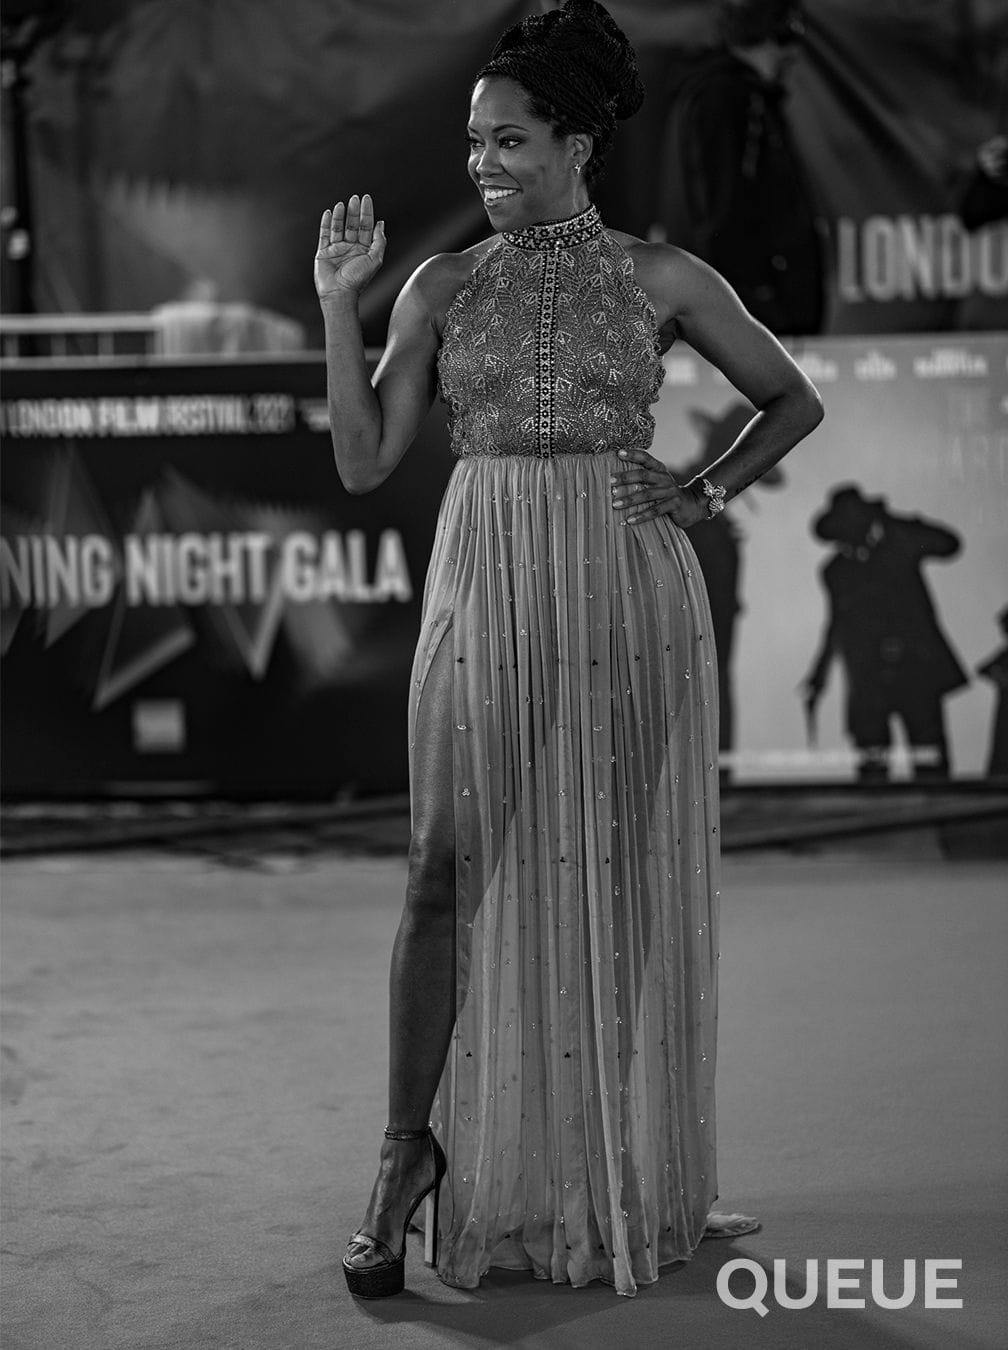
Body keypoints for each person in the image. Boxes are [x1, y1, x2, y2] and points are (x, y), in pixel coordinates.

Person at [316, 0, 823, 1299]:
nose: (484, 165)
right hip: (484, 574)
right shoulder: (439, 284)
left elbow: (791, 396)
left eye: (510, 141)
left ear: (579, 140)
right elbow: (367, 458)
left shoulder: (661, 277)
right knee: (441, 867)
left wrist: (703, 489)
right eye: (474, 145)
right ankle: (402, 1153)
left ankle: (614, 1167)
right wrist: (337, 307)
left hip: (624, 588)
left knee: (611, 879)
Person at [651, 0, 826, 336]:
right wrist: (757, 302)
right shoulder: (728, 98)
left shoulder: (727, 95)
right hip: (754, 315)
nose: (795, 55)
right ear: (774, 35)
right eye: (790, 39)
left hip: (747, 311)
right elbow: (724, 208)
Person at [801, 485, 968, 780]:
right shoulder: (836, 571)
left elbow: (950, 544)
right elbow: (836, 626)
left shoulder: (900, 543)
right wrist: (819, 675)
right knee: (872, 763)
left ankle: (938, 818)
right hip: (867, 676)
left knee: (929, 755)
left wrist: (897, 525)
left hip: (915, 668)